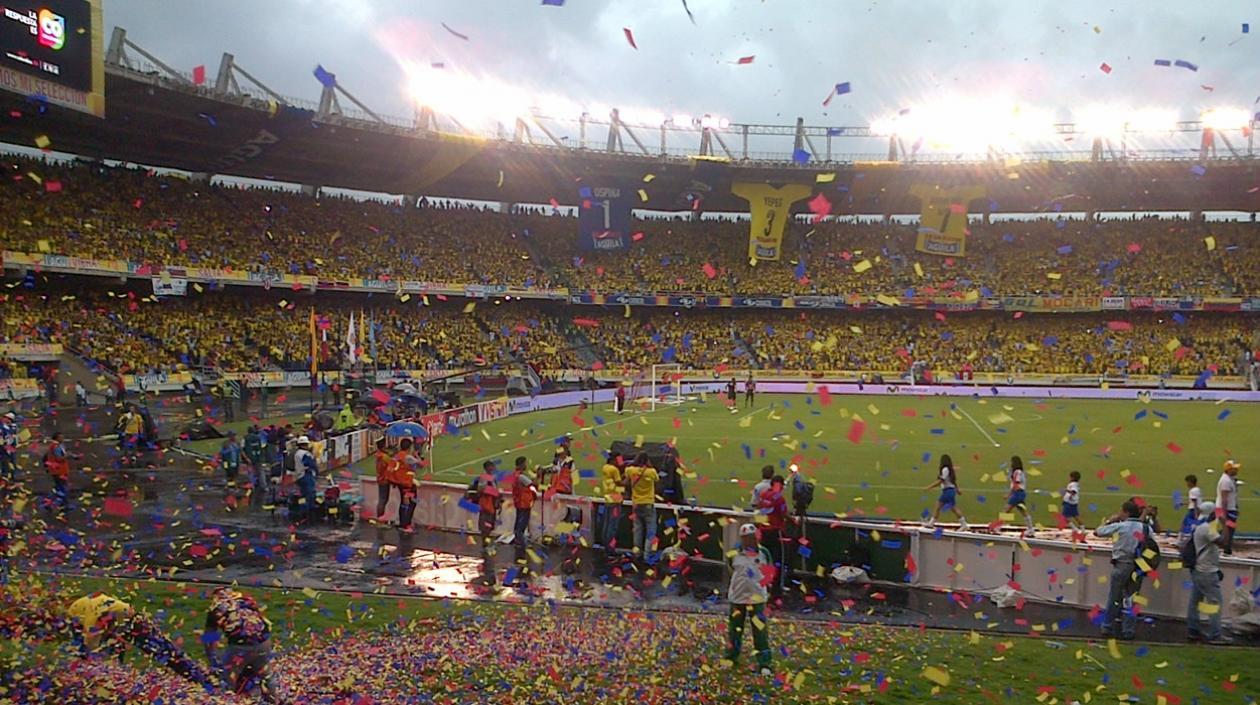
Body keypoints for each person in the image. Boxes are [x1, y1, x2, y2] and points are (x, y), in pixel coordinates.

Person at [66, 593, 215, 692]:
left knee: (166, 653)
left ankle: (202, 681)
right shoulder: (87, 607)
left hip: (132, 623)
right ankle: (112, 682)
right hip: (122, 623)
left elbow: (91, 638)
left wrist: (88, 656)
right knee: (166, 653)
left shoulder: (86, 614)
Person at [203, 587, 278, 701]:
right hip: (264, 641)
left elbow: (209, 637)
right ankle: (274, 698)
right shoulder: (247, 601)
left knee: (228, 677)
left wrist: (212, 659)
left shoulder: (216, 610)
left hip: (240, 647)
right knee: (264, 672)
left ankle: (228, 699)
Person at [1095, 500, 1147, 640]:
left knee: (1114, 597)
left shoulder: (1121, 526)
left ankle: (1107, 626)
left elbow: (1098, 532)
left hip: (1122, 564)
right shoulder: (1145, 528)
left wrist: (1109, 521)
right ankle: (1128, 630)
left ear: (1126, 512)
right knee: (1132, 599)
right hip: (1138, 566)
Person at [726, 523, 773, 675]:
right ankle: (731, 658)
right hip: (737, 598)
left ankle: (764, 663)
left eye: (751, 537)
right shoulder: (733, 553)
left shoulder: (764, 552)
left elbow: (770, 572)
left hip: (758, 599)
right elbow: (730, 569)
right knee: (734, 631)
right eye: (746, 538)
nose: (749, 541)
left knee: (760, 632)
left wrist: (762, 587)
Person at [1186, 501, 1231, 644]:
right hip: (1207, 572)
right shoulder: (1207, 529)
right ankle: (1215, 635)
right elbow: (1224, 542)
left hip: (1199, 570)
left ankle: (1193, 630)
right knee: (1215, 602)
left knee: (1195, 601)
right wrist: (1225, 524)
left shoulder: (1200, 527)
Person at [757, 475, 789, 598]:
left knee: (764, 560)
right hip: (775, 533)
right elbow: (784, 513)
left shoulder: (764, 494)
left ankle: (764, 586)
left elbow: (760, 510)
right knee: (777, 561)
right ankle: (776, 590)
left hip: (763, 532)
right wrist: (794, 519)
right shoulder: (779, 498)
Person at [625, 453, 659, 562]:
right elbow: (657, 479)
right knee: (651, 531)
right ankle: (647, 556)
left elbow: (626, 475)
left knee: (637, 530)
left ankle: (636, 553)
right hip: (648, 503)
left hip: (636, 503)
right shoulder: (651, 472)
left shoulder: (631, 470)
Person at [924, 454, 968, 531]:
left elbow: (941, 481)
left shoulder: (945, 469)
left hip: (947, 491)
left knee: (940, 507)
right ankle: (964, 524)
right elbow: (953, 481)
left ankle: (931, 523)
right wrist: (957, 490)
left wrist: (929, 487)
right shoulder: (950, 470)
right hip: (950, 491)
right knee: (951, 508)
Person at [471, 460, 502, 550]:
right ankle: (485, 543)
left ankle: (486, 542)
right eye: (491, 466)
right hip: (486, 503)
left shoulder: (492, 477)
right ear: (487, 467)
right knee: (486, 524)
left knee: (489, 524)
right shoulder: (484, 477)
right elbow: (480, 489)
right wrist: (492, 492)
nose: (493, 468)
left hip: (491, 503)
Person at [509, 457, 536, 557]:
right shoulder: (521, 477)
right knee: (521, 527)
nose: (526, 465)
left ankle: (518, 543)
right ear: (520, 465)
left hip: (519, 503)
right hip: (524, 503)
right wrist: (539, 475)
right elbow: (533, 485)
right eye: (525, 463)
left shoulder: (516, 475)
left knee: (518, 526)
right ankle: (522, 547)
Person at [599, 453, 625, 552]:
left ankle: (605, 544)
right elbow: (619, 483)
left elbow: (614, 481)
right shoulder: (614, 469)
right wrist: (627, 478)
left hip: (608, 497)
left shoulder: (605, 467)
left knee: (606, 523)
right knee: (612, 525)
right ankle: (610, 548)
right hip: (615, 499)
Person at [391, 438, 419, 531]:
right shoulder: (408, 457)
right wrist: (416, 455)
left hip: (400, 483)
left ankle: (402, 523)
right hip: (407, 483)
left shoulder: (397, 456)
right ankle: (406, 524)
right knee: (412, 502)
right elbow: (421, 464)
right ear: (409, 447)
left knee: (404, 502)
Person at [1004, 456, 1035, 537]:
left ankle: (997, 526)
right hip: (1020, 493)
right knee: (1023, 511)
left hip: (1017, 493)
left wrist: (1009, 494)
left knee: (1007, 509)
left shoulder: (1017, 472)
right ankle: (1030, 529)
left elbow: (1016, 485)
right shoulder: (1018, 472)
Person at [1215, 460, 1240, 555]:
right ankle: (1226, 549)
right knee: (1229, 529)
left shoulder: (1229, 479)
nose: (1237, 470)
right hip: (1226, 510)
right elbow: (1224, 499)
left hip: (1226, 509)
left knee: (1228, 528)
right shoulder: (1226, 481)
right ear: (1229, 470)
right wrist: (1224, 514)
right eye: (1235, 469)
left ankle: (1223, 545)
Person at [292, 436, 318, 520]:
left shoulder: (297, 453)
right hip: (306, 475)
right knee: (310, 494)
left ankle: (302, 510)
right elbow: (310, 464)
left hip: (299, 476)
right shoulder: (305, 454)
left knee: (302, 495)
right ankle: (309, 512)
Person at [43, 432, 70, 513]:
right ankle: (63, 504)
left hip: (59, 470)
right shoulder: (56, 447)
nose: (63, 438)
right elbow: (59, 458)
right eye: (61, 437)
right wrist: (67, 456)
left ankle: (57, 503)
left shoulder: (56, 446)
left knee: (59, 487)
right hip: (59, 470)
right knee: (62, 487)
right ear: (56, 438)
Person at [372, 438, 394, 521]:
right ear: (383, 446)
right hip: (384, 479)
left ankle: (380, 518)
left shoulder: (379, 455)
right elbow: (391, 465)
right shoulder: (384, 457)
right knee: (383, 500)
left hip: (380, 478)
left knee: (382, 499)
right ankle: (380, 519)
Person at [1179, 474, 1203, 543]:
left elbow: (1194, 502)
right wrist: (1184, 503)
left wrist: (1196, 514)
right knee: (1193, 525)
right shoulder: (1198, 489)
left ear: (1190, 482)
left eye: (1187, 482)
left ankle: (1181, 540)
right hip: (1197, 509)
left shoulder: (1192, 491)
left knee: (1184, 524)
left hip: (1193, 510)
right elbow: (1194, 501)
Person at [0, 412, 17, 482]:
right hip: (3, 450)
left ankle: (11, 478)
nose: (9, 421)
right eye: (8, 419)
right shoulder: (2, 428)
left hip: (10, 449)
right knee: (5, 465)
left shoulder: (10, 428)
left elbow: (12, 439)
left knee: (11, 464)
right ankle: (5, 479)